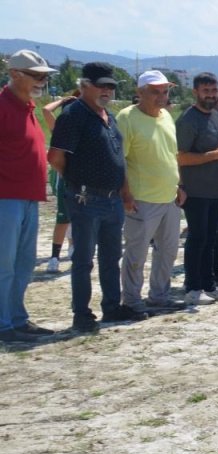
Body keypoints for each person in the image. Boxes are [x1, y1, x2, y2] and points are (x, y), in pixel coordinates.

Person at [48, 62, 143, 332]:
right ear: (84, 86)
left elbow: (118, 160)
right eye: (101, 85)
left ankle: (112, 307)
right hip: (86, 199)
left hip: (113, 200)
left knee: (111, 257)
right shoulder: (73, 115)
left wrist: (125, 193)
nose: (107, 91)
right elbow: (55, 157)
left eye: (111, 86)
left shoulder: (108, 117)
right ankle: (82, 314)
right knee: (83, 260)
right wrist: (78, 181)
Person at [116, 70, 186, 316]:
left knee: (168, 251)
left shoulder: (166, 116)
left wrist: (179, 185)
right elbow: (120, 160)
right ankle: (132, 300)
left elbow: (172, 154)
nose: (162, 97)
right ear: (139, 93)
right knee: (137, 252)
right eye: (155, 92)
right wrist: (125, 194)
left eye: (165, 91)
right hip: (141, 198)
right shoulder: (126, 118)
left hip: (169, 197)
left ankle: (159, 296)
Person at [0, 49, 56, 343]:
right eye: (36, 75)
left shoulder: (28, 107)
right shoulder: (2, 107)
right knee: (4, 265)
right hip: (5, 198)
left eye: (45, 76)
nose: (42, 81)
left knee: (23, 264)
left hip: (29, 198)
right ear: (14, 75)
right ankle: (3, 323)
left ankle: (16, 318)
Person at [176, 72, 218, 305]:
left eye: (214, 91)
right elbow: (181, 157)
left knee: (212, 239)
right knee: (197, 238)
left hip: (217, 189)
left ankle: (208, 283)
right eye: (206, 91)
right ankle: (192, 287)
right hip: (195, 190)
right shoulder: (187, 120)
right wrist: (216, 155)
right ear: (195, 92)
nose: (211, 96)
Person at [41, 93, 78, 274]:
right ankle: (54, 257)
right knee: (63, 218)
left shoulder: (83, 128)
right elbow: (46, 110)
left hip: (80, 181)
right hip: (63, 179)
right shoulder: (60, 129)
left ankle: (73, 247)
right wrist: (62, 101)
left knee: (77, 217)